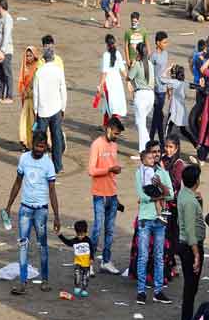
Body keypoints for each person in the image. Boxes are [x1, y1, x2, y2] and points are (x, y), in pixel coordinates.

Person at [4, 130, 61, 294]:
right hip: (25, 209)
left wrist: (56, 216)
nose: (39, 149)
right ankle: (22, 282)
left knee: (43, 246)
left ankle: (44, 280)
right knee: (23, 245)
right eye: (37, 146)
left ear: (45, 147)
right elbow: (17, 183)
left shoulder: (48, 164)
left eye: (42, 147)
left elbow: (52, 191)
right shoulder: (24, 159)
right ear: (32, 144)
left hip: (41, 211)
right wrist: (8, 206)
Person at [134, 142, 173, 305]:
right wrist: (158, 197)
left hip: (159, 220)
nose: (156, 155)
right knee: (143, 256)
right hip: (145, 219)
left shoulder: (162, 173)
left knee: (158, 256)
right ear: (147, 155)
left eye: (158, 152)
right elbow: (141, 196)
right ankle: (141, 291)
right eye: (153, 152)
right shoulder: (139, 173)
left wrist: (159, 186)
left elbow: (170, 194)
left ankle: (158, 291)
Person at [89, 117, 124, 275]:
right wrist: (109, 170)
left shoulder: (114, 145)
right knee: (97, 229)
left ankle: (106, 260)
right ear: (108, 129)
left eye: (118, 134)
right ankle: (88, 263)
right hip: (99, 194)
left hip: (112, 193)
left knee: (110, 230)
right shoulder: (97, 144)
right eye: (115, 133)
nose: (116, 137)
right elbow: (91, 170)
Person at [176, 164, 206, 320]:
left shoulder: (186, 195)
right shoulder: (188, 200)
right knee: (190, 289)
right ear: (196, 180)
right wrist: (196, 255)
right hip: (190, 247)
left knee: (191, 288)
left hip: (187, 245)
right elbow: (190, 230)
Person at [32, 46, 67, 172]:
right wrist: (63, 107)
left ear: (44, 59)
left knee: (40, 138)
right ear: (53, 57)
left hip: (42, 110)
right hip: (56, 108)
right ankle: (58, 166)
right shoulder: (58, 71)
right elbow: (63, 90)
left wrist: (35, 110)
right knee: (56, 137)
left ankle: (39, 163)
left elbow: (35, 93)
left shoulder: (39, 72)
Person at [127, 42, 157, 154]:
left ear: (138, 52)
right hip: (150, 95)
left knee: (141, 124)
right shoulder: (149, 64)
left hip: (141, 96)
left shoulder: (137, 64)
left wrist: (133, 61)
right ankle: (148, 147)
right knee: (142, 123)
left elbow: (129, 77)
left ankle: (145, 150)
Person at [59, 220, 96, 297]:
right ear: (76, 233)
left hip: (86, 263)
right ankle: (77, 287)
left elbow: (92, 250)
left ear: (86, 232)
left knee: (86, 277)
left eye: (82, 234)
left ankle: (84, 289)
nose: (80, 237)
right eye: (78, 234)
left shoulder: (88, 240)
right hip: (78, 262)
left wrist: (92, 258)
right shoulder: (75, 240)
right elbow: (67, 242)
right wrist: (60, 235)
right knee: (77, 275)